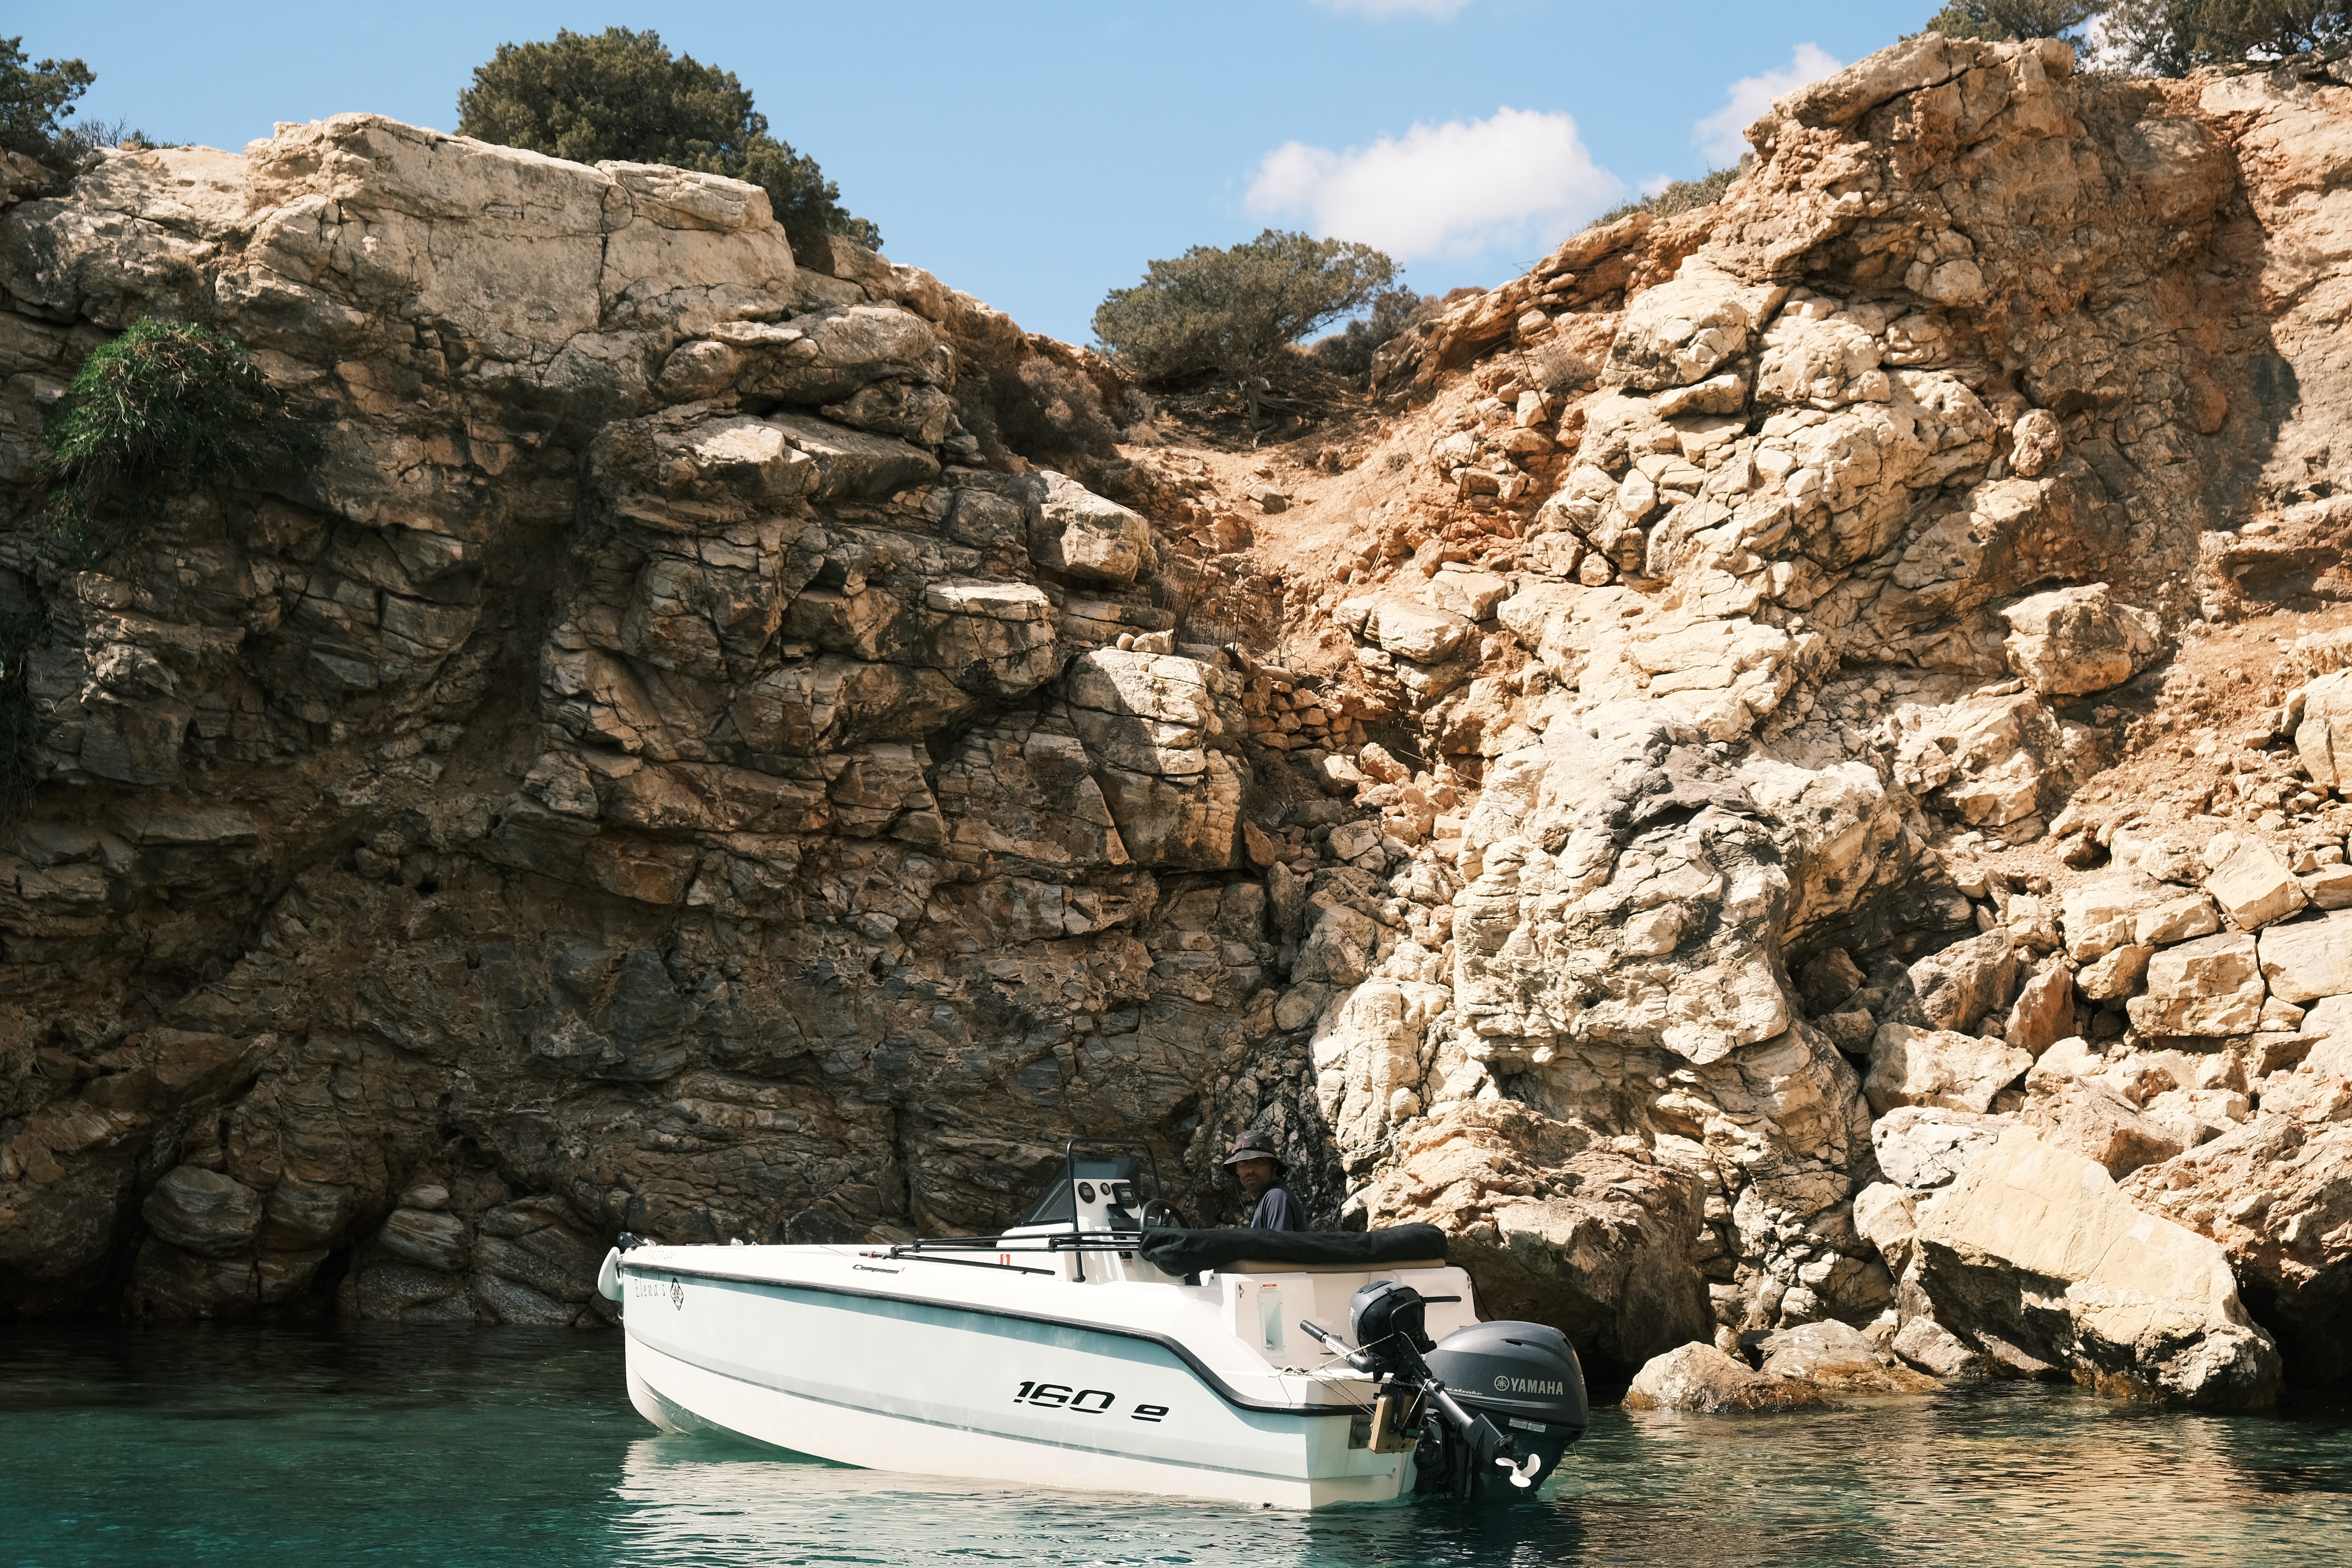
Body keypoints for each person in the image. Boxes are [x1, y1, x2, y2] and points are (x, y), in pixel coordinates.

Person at [1220, 1129, 1301, 1230]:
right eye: (1243, 1162)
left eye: (1259, 1160)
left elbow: (1279, 1245)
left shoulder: (1276, 1198)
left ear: (1274, 1165)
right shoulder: (1264, 1202)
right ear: (1237, 1170)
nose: (1250, 1170)